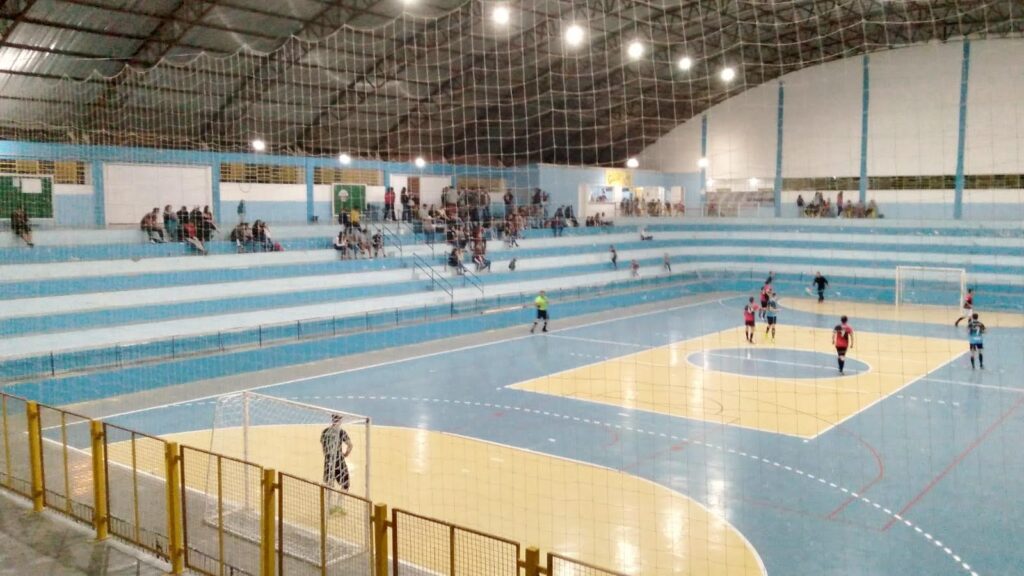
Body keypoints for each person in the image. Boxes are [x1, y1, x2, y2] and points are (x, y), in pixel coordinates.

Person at [320, 414, 353, 513]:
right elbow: (350, 445)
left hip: (328, 460)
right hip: (338, 460)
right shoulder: (341, 432)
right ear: (340, 421)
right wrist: (346, 454)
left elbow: (323, 447)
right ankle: (338, 505)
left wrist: (327, 456)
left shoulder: (325, 432)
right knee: (346, 484)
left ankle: (328, 507)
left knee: (329, 483)